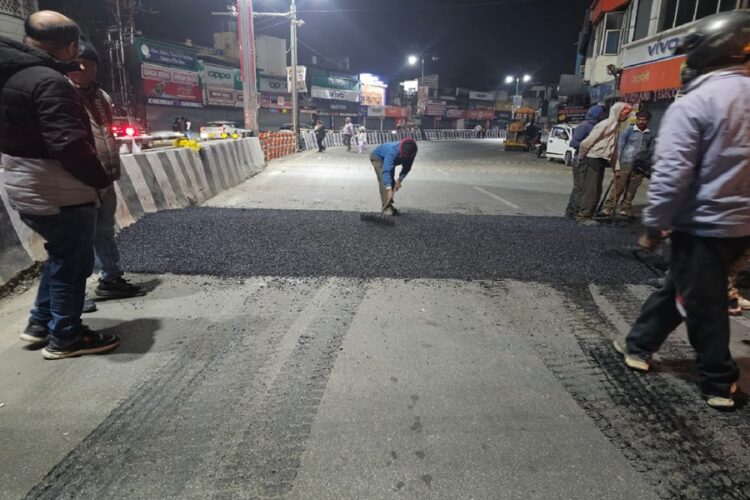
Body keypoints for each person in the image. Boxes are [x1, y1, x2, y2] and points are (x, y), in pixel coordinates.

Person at [615, 10, 750, 409]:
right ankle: (638, 345)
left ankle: (717, 380)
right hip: (741, 226)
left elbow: (672, 176)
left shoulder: (695, 104)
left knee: (702, 302)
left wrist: (655, 226)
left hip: (706, 224)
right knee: (681, 285)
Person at [0, 11, 120, 359]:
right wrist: (98, 178)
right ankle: (65, 336)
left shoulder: (11, 76)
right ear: (70, 47)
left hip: (27, 184)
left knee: (59, 256)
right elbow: (67, 144)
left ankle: (40, 323)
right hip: (57, 189)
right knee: (72, 263)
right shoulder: (48, 82)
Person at [67, 40, 144, 308]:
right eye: (77, 63)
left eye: (88, 64)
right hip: (75, 178)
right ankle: (74, 296)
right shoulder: (60, 93)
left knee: (104, 231)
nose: (82, 68)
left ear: (96, 68)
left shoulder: (102, 97)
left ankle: (111, 278)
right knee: (77, 239)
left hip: (103, 175)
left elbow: (106, 133)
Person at [576, 101, 633, 225]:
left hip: (600, 160)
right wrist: (580, 158)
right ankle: (583, 217)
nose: (626, 117)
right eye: (625, 114)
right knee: (591, 191)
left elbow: (613, 151)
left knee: (597, 190)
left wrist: (616, 168)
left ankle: (589, 213)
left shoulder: (615, 127)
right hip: (592, 159)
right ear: (618, 112)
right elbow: (586, 143)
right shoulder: (605, 125)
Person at [602, 110, 655, 218]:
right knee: (619, 186)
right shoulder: (628, 131)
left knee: (632, 189)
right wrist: (616, 164)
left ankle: (625, 208)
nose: (641, 122)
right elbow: (620, 148)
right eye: (639, 119)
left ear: (648, 121)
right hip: (625, 163)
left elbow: (650, 151)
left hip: (640, 167)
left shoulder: (650, 134)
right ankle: (609, 208)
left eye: (644, 120)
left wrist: (648, 166)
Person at [565, 105, 607, 218]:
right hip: (580, 161)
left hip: (589, 161)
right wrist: (589, 148)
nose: (604, 116)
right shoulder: (585, 126)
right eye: (603, 114)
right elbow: (573, 143)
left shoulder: (597, 127)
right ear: (597, 114)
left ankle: (573, 211)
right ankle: (574, 211)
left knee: (584, 188)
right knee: (580, 187)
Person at [369, 138, 418, 216]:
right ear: (401, 151)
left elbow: (407, 167)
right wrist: (389, 190)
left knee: (391, 180)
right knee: (384, 180)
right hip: (378, 157)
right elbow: (386, 171)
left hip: (392, 159)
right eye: (403, 155)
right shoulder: (393, 151)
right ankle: (386, 207)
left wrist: (399, 180)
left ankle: (388, 204)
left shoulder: (412, 151)